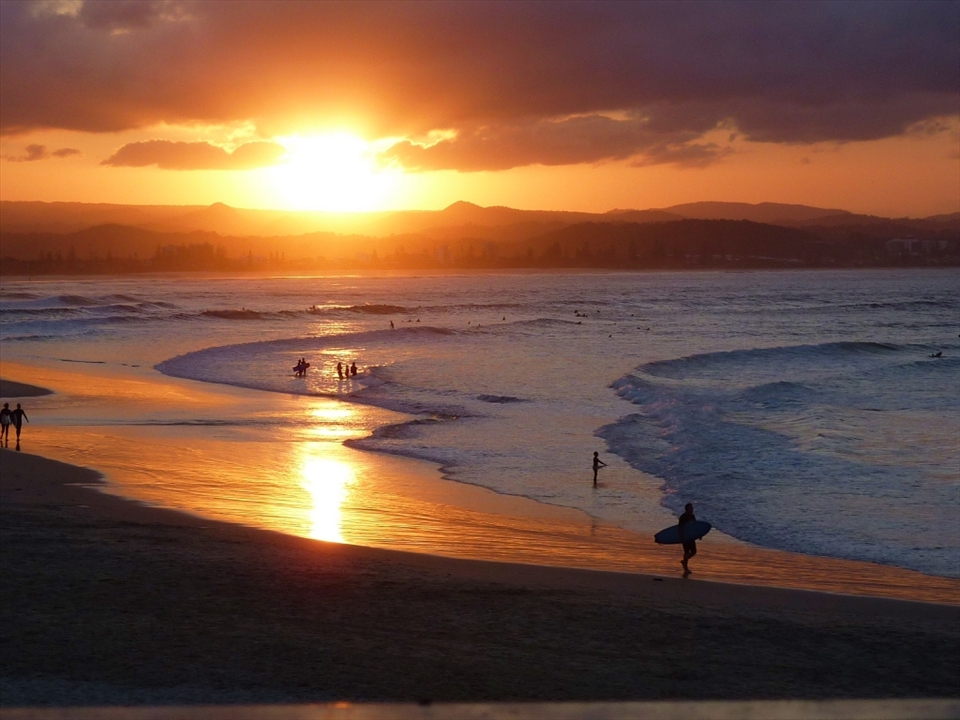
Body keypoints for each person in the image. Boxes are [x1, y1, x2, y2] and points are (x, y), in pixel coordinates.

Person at [678, 503, 697, 576]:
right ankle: (686, 568)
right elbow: (680, 527)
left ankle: (684, 561)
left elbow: (695, 526)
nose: (692, 509)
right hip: (685, 537)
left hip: (691, 536)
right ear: (687, 509)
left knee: (694, 552)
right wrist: (682, 537)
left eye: (692, 508)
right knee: (686, 552)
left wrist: (699, 534)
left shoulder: (692, 516)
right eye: (691, 508)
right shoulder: (683, 517)